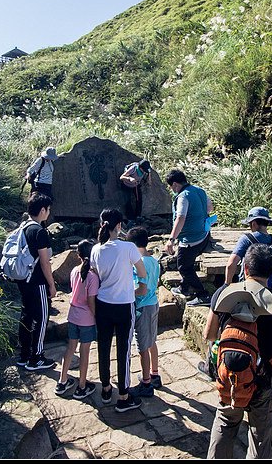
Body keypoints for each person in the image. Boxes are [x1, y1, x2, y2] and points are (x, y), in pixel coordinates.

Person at [205, 244, 272, 459]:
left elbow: (210, 335)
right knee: (260, 437)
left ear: (245, 268)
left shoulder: (223, 294)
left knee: (225, 423)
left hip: (230, 374)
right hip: (265, 379)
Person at [91, 208, 149, 412]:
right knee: (124, 350)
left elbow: (97, 275)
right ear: (119, 226)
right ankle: (123, 396)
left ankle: (106, 388)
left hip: (103, 304)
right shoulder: (129, 248)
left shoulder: (95, 250)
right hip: (124, 304)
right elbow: (142, 272)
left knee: (103, 347)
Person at [16, 192, 58, 371]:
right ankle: (36, 357)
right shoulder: (39, 231)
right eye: (48, 209)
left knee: (27, 315)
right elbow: (44, 261)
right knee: (41, 317)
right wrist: (51, 284)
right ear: (42, 210)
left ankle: (24, 355)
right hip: (37, 281)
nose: (48, 213)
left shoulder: (24, 227)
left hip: (23, 279)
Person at [55, 239, 99, 400]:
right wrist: (96, 317)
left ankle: (62, 380)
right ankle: (82, 385)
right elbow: (90, 300)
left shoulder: (74, 271)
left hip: (72, 316)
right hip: (86, 319)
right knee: (85, 351)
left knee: (70, 348)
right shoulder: (93, 277)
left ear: (78, 255)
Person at [164, 169, 214, 307]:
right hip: (204, 234)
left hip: (191, 239)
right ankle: (184, 287)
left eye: (171, 187)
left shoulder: (183, 196)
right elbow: (209, 207)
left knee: (184, 267)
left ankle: (202, 295)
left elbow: (180, 218)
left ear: (174, 184)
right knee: (188, 262)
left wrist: (171, 240)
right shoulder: (199, 190)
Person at [127, 226, 163, 398]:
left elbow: (141, 290)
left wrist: (126, 293)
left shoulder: (139, 263)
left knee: (142, 346)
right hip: (154, 303)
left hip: (143, 307)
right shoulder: (154, 261)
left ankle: (146, 382)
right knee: (152, 341)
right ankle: (155, 374)